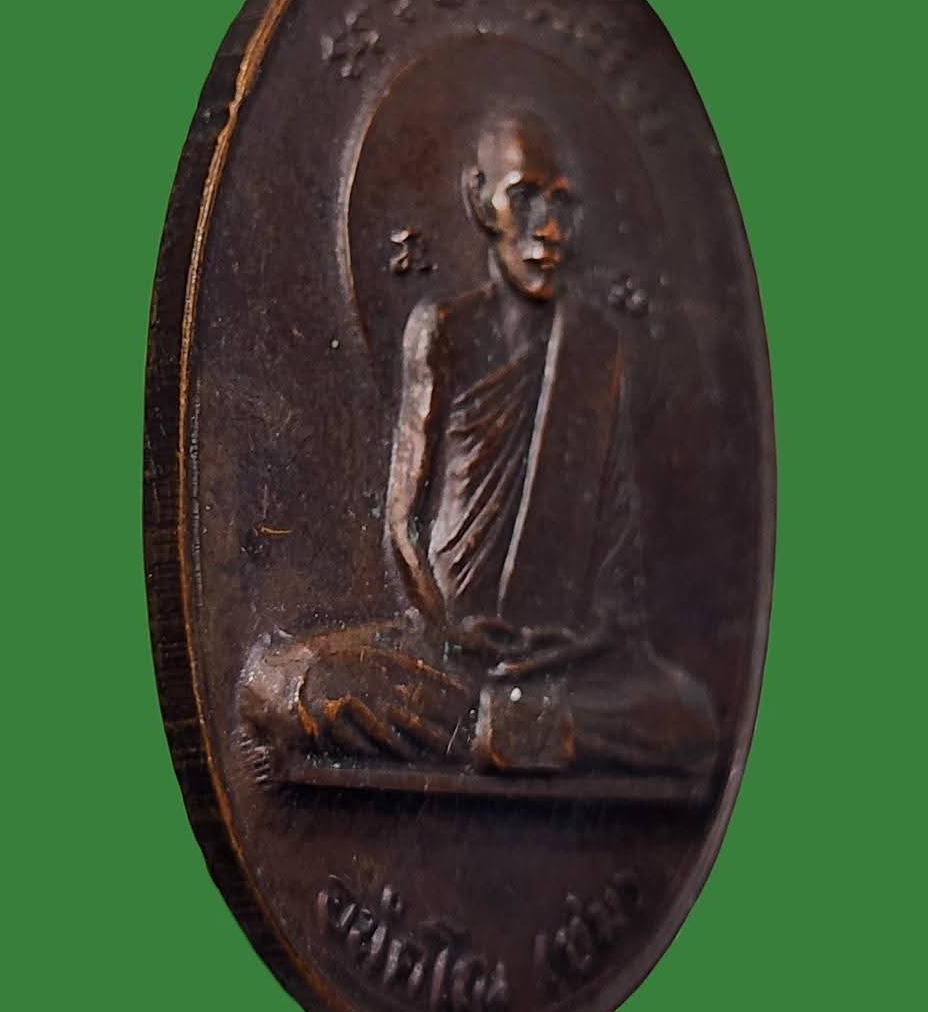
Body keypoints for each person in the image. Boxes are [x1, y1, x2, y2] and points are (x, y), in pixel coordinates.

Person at [240, 111, 719, 775]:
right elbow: (404, 526)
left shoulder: (598, 353)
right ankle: (524, 730)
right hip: (446, 653)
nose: (547, 229)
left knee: (691, 718)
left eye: (562, 207)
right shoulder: (445, 331)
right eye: (524, 199)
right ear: (478, 200)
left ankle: (504, 728)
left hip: (562, 668)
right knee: (287, 685)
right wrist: (451, 632)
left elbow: (618, 590)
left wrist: (572, 648)